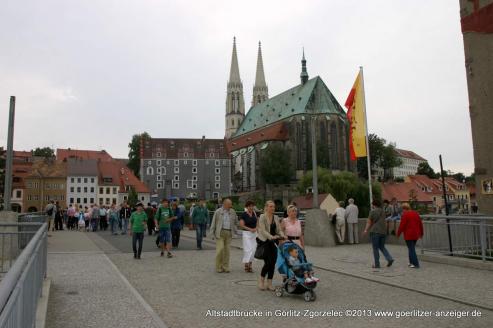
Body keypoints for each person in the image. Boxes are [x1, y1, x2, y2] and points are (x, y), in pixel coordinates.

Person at [257, 200, 285, 291]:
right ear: (266, 207)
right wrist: (271, 237)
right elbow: (262, 230)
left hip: (274, 242)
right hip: (265, 242)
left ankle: (269, 283)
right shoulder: (262, 216)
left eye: (273, 206)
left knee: (273, 263)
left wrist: (282, 234)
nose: (273, 208)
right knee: (268, 262)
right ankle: (261, 281)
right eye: (270, 206)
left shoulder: (276, 217)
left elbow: (279, 229)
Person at [364, 199, 394, 269]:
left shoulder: (372, 211)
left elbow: (369, 222)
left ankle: (377, 264)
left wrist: (366, 230)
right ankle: (389, 258)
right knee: (382, 246)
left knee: (375, 248)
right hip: (383, 232)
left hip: (375, 231)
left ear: (373, 205)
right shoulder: (383, 212)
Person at [210, 198, 238, 273]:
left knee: (227, 251)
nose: (231, 206)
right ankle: (218, 266)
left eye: (231, 204)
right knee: (220, 249)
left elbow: (236, 222)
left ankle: (225, 267)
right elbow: (213, 222)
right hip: (220, 232)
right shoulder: (218, 211)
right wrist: (212, 234)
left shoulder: (233, 212)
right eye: (229, 204)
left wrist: (236, 232)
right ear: (224, 204)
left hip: (229, 233)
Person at [397, 203, 424, 268]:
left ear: (404, 209)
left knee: (411, 249)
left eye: (402, 209)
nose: (402, 211)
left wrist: (398, 234)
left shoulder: (405, 215)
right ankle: (411, 262)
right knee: (411, 248)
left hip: (409, 235)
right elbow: (420, 224)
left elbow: (402, 226)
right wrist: (421, 233)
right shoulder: (416, 213)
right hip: (416, 235)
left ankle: (416, 264)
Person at [239, 200, 257, 272]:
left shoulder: (255, 214)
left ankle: (250, 263)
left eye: (252, 206)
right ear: (247, 207)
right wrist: (250, 229)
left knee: (253, 249)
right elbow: (241, 225)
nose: (251, 207)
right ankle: (247, 264)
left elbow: (258, 223)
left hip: (254, 234)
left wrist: (256, 228)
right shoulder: (244, 214)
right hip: (246, 233)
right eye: (249, 206)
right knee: (248, 249)